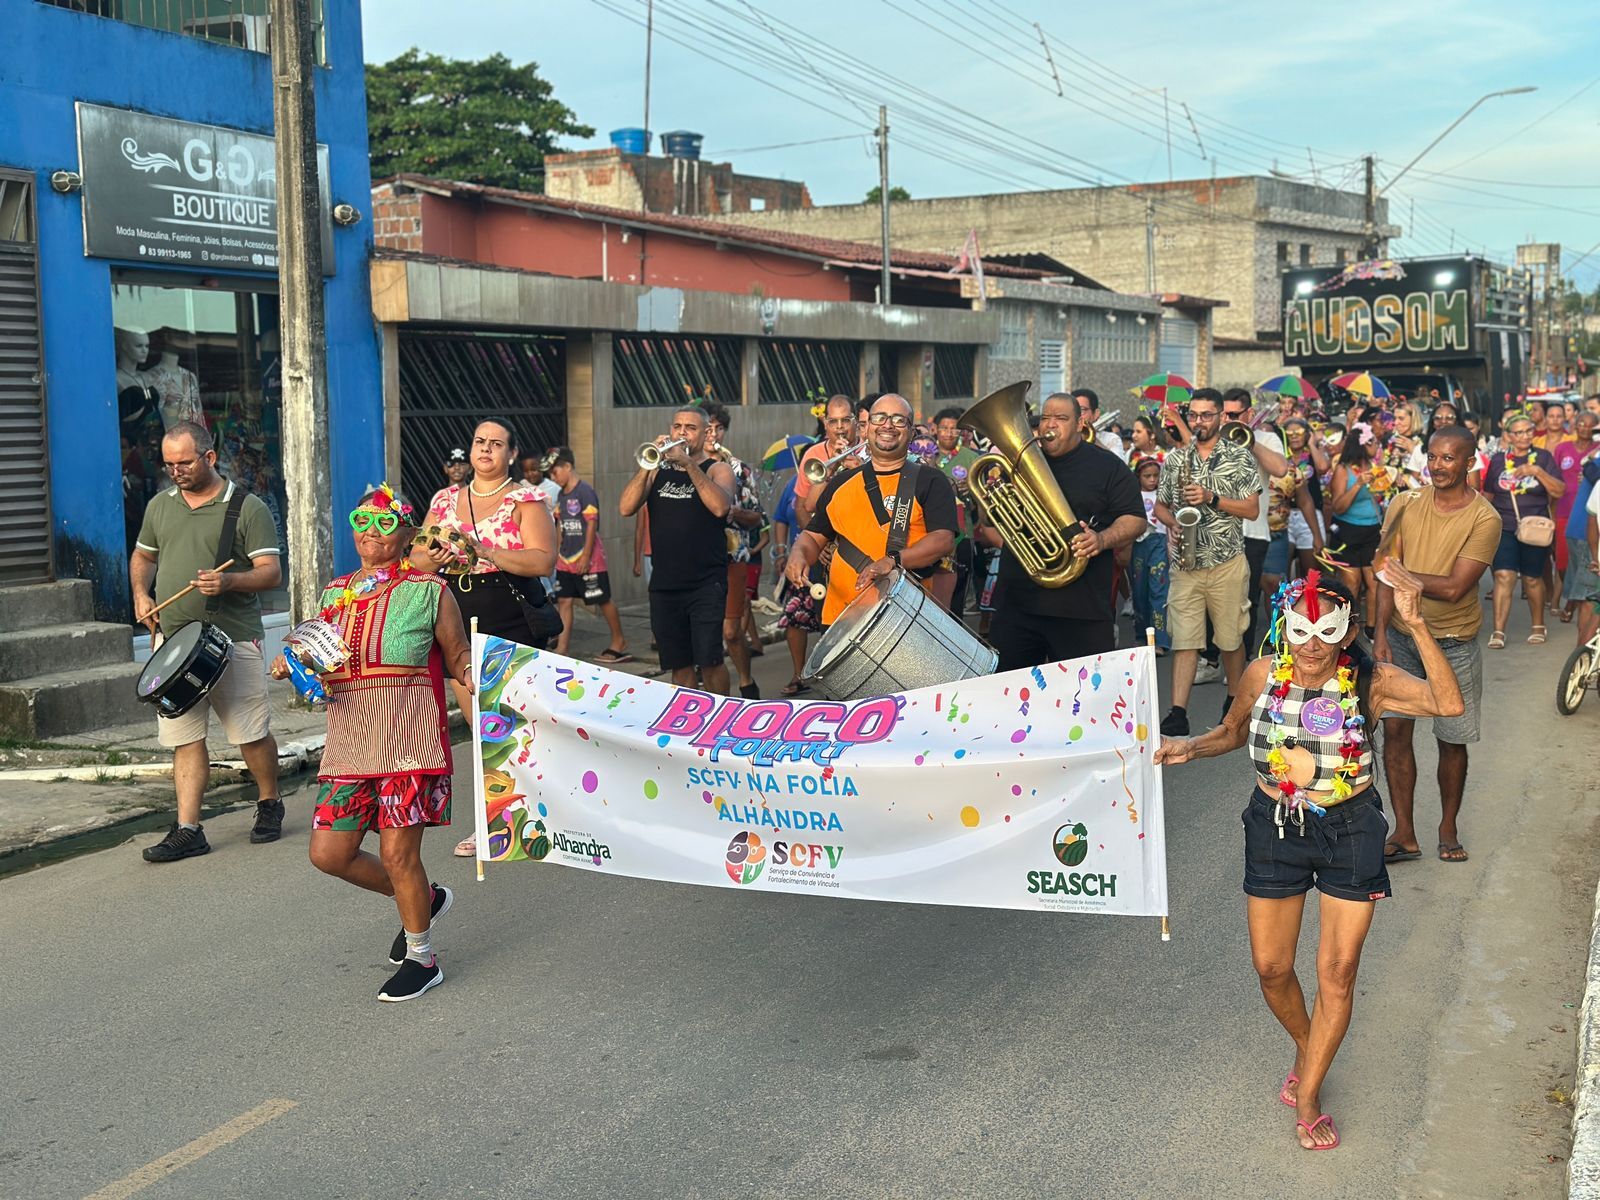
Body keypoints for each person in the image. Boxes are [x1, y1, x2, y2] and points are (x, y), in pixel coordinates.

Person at [1155, 567, 1464, 1150]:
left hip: (1350, 828)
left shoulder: (1372, 679)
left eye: (1327, 631)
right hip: (1274, 825)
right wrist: (1188, 747)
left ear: (1347, 634)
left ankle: (1312, 1092)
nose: (1313, 644)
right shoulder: (1262, 673)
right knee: (1272, 969)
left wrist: (1416, 623)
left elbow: (1448, 703)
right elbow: (1229, 731)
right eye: (1301, 630)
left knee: (1337, 973)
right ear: (1285, 629)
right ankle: (1307, 1043)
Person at [271, 485, 472, 1003]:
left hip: (410, 736)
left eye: (384, 524)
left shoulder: (430, 589)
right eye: (362, 520)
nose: (369, 532)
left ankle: (422, 957)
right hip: (349, 736)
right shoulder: (334, 592)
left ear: (406, 533)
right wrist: (293, 662)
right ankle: (423, 900)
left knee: (397, 853)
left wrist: (481, 676)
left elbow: (458, 656)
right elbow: (316, 654)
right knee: (329, 853)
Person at [130, 421, 284, 862]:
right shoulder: (160, 506)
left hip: (230, 639)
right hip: (173, 642)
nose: (175, 471)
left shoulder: (246, 507)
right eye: (168, 464)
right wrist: (142, 594)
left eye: (184, 462)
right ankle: (188, 828)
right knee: (184, 737)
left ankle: (269, 800)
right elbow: (143, 556)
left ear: (209, 457)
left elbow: (270, 572)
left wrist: (230, 581)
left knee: (250, 734)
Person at [418, 420, 557, 860]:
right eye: (480, 442)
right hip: (456, 619)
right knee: (483, 725)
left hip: (510, 617)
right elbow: (418, 557)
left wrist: (486, 551)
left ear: (511, 454)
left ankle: (541, 810)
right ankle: (492, 821)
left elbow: (543, 560)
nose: (486, 450)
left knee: (518, 723)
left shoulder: (525, 499)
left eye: (496, 444)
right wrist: (435, 555)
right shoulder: (444, 500)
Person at [1372, 427, 1501, 865]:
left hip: (1454, 642)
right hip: (1403, 639)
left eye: (1450, 458)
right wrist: (1381, 634)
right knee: (1395, 731)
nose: (1439, 465)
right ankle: (1404, 832)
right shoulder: (1404, 504)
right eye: (1433, 456)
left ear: (1470, 463)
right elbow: (1383, 573)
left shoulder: (1485, 518)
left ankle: (1448, 825)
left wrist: (1400, 573)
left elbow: (1454, 588)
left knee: (1452, 738)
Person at [981, 392, 1145, 668]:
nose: (1050, 425)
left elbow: (1135, 518)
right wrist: (991, 501)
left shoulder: (1107, 466)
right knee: (1009, 697)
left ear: (1081, 423)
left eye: (1061, 418)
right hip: (1018, 604)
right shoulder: (1016, 461)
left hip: (1081, 608)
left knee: (1085, 698)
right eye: (1045, 417)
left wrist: (1101, 539)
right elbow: (988, 523)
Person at [785, 393, 958, 628]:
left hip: (905, 620)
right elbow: (813, 537)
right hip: (841, 619)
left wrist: (894, 561)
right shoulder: (840, 482)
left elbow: (943, 540)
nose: (888, 425)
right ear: (865, 429)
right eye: (880, 418)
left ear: (911, 432)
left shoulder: (931, 480)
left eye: (898, 420)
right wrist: (798, 554)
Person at [1153, 389, 1263, 735]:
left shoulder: (1239, 457)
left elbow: (1251, 509)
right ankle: (1177, 712)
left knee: (1230, 638)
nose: (1199, 422)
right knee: (1184, 638)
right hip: (1186, 562)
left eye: (1207, 415)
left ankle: (1233, 701)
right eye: (1194, 415)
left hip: (1225, 561)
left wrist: (1211, 497)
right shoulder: (1175, 459)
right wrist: (1172, 524)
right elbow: (1160, 506)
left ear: (1219, 417)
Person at [619, 405, 736, 694]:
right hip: (665, 583)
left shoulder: (717, 468)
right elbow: (625, 508)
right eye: (677, 427)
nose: (681, 433)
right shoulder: (656, 471)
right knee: (678, 664)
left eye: (690, 427)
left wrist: (688, 464)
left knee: (709, 660)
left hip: (706, 583)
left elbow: (720, 507)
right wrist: (648, 467)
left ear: (706, 432)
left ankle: (721, 722)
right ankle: (686, 729)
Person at [543, 447, 631, 664]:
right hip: (566, 560)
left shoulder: (585, 492)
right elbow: (560, 525)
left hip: (589, 560)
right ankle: (562, 647)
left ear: (567, 466)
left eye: (555, 472)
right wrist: (556, 551)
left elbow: (592, 524)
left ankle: (619, 640)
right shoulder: (561, 495)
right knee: (564, 600)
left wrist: (585, 556)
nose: (553, 478)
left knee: (602, 599)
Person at [1484, 412, 1564, 647]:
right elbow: (1488, 495)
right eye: (1518, 432)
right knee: (1503, 575)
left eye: (1528, 431)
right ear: (1508, 435)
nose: (1524, 436)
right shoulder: (1499, 460)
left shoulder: (1543, 457)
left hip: (1534, 527)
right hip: (1504, 526)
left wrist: (1537, 472)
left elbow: (1559, 490)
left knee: (1531, 579)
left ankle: (1538, 625)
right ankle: (1498, 631)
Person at [704, 402, 765, 699]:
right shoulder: (682, 465)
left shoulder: (739, 468)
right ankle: (715, 696)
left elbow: (757, 517)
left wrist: (734, 512)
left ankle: (745, 681)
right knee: (706, 635)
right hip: (698, 559)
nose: (713, 434)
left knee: (731, 632)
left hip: (733, 556)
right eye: (708, 427)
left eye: (719, 428)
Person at [1326, 423, 1386, 636]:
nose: (1377, 445)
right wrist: (1359, 483)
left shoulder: (1375, 465)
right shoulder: (1343, 469)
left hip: (1373, 530)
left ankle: (1371, 629)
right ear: (1362, 444)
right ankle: (1347, 629)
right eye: (1373, 442)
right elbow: (1338, 506)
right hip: (1347, 531)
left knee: (1374, 582)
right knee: (1352, 583)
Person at [930, 406, 981, 617]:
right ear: (935, 429)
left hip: (963, 533)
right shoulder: (923, 453)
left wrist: (972, 490)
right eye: (944, 428)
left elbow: (982, 498)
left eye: (954, 429)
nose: (949, 433)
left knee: (958, 591)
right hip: (930, 534)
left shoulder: (971, 457)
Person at [1553, 413, 1599, 621]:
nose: (1585, 428)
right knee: (1586, 592)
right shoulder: (1593, 460)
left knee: (1582, 579)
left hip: (1583, 525)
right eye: (1581, 423)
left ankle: (1569, 606)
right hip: (1582, 526)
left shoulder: (1594, 455)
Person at [1129, 454, 1171, 651]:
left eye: (1156, 476)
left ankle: (1160, 641)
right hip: (1138, 543)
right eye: (1147, 476)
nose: (1152, 480)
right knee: (1139, 592)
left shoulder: (1163, 496)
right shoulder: (1132, 495)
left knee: (1159, 592)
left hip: (1159, 544)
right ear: (1138, 476)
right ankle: (1141, 635)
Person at [1073, 387, 1126, 460]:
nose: (1077, 415)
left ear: (1096, 414)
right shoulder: (1065, 438)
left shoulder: (1111, 439)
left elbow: (1119, 467)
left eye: (1082, 410)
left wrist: (1094, 440)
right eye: (1073, 410)